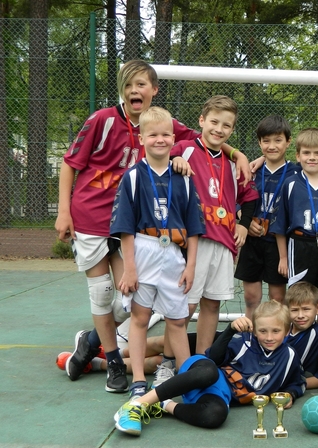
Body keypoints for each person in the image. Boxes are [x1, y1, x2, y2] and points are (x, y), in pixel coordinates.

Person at [56, 60, 249, 393]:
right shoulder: (101, 120)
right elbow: (70, 163)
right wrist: (64, 211)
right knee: (103, 294)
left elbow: (206, 137)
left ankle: (91, 341)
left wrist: (236, 154)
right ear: (122, 89)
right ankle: (113, 361)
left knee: (126, 300)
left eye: (142, 84)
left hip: (136, 227)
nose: (135, 90)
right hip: (92, 216)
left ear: (154, 90)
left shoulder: (163, 123)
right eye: (129, 84)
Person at [110, 107, 206, 400]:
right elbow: (125, 228)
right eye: (153, 135)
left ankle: (186, 380)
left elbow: (194, 227)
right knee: (140, 318)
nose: (160, 140)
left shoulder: (184, 177)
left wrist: (191, 265)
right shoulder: (133, 177)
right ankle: (139, 380)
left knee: (177, 320)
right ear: (141, 138)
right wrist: (130, 268)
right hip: (144, 249)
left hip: (174, 252)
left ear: (174, 138)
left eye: (165, 134)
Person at [113, 301, 305, 436]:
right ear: (254, 330)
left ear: (287, 331)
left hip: (220, 394)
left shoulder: (289, 356)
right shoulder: (245, 342)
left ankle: (164, 405)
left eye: (276, 331)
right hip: (203, 372)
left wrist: (291, 394)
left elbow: (297, 382)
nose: (269, 337)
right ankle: (137, 404)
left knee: (216, 416)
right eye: (263, 331)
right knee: (209, 371)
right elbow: (213, 358)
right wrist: (230, 330)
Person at [170, 95, 258, 361]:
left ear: (232, 129)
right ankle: (168, 362)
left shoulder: (233, 163)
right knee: (184, 307)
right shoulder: (185, 149)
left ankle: (202, 361)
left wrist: (244, 225)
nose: (219, 129)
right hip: (194, 242)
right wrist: (175, 159)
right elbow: (159, 156)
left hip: (224, 242)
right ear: (201, 121)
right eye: (214, 122)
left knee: (212, 305)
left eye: (226, 125)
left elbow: (250, 196)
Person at [271, 128, 318, 332]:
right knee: (298, 302)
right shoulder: (291, 184)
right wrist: (283, 257)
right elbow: (280, 224)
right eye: (307, 153)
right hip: (300, 245)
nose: (312, 157)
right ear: (298, 155)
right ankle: (295, 345)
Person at [235, 115, 299, 317]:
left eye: (278, 140)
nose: (272, 146)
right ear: (259, 143)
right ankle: (251, 333)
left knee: (277, 298)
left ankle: (277, 333)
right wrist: (243, 218)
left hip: (278, 243)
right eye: (266, 141)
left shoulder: (296, 173)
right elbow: (235, 198)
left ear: (288, 142)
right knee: (251, 297)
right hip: (252, 241)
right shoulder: (251, 171)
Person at [285, 281, 318, 389]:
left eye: (306, 309)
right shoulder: (281, 331)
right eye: (294, 310)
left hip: (298, 382)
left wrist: (289, 385)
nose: (300, 315)